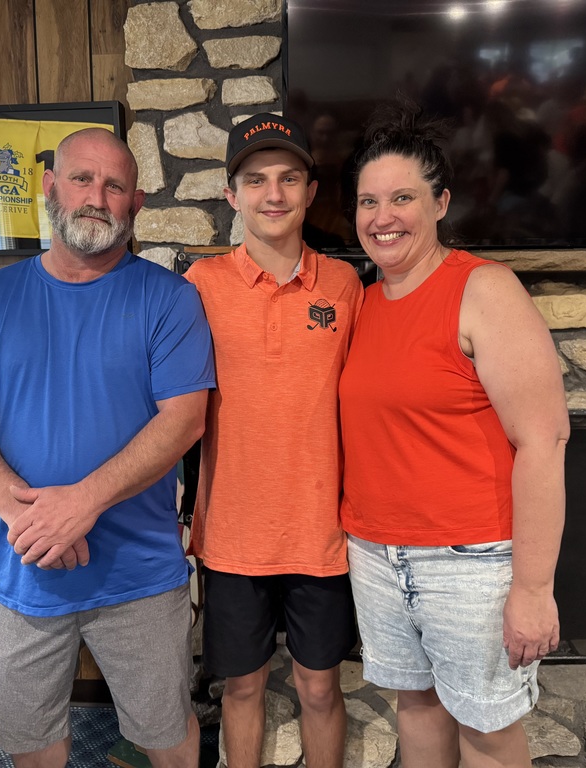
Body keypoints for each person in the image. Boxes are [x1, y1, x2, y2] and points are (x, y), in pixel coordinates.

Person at [0, 127, 215, 768]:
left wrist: (80, 505)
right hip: (27, 567)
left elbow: (185, 421)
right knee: (30, 741)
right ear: (49, 186)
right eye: (82, 179)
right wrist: (32, 519)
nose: (97, 196)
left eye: (115, 185)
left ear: (136, 203)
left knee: (167, 734)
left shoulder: (171, 301)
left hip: (140, 574)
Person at [339, 103, 570, 767]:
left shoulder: (484, 290)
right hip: (377, 554)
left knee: (489, 731)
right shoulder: (364, 300)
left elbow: (545, 440)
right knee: (416, 707)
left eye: (402, 198)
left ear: (440, 203)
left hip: (470, 562)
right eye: (368, 201)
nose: (382, 217)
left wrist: (532, 589)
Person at [183, 113, 364, 768]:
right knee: (243, 684)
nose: (274, 194)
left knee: (320, 686)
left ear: (311, 192)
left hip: (321, 532)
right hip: (233, 532)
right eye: (256, 180)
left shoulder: (345, 287)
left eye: (289, 178)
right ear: (232, 194)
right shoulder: (199, 288)